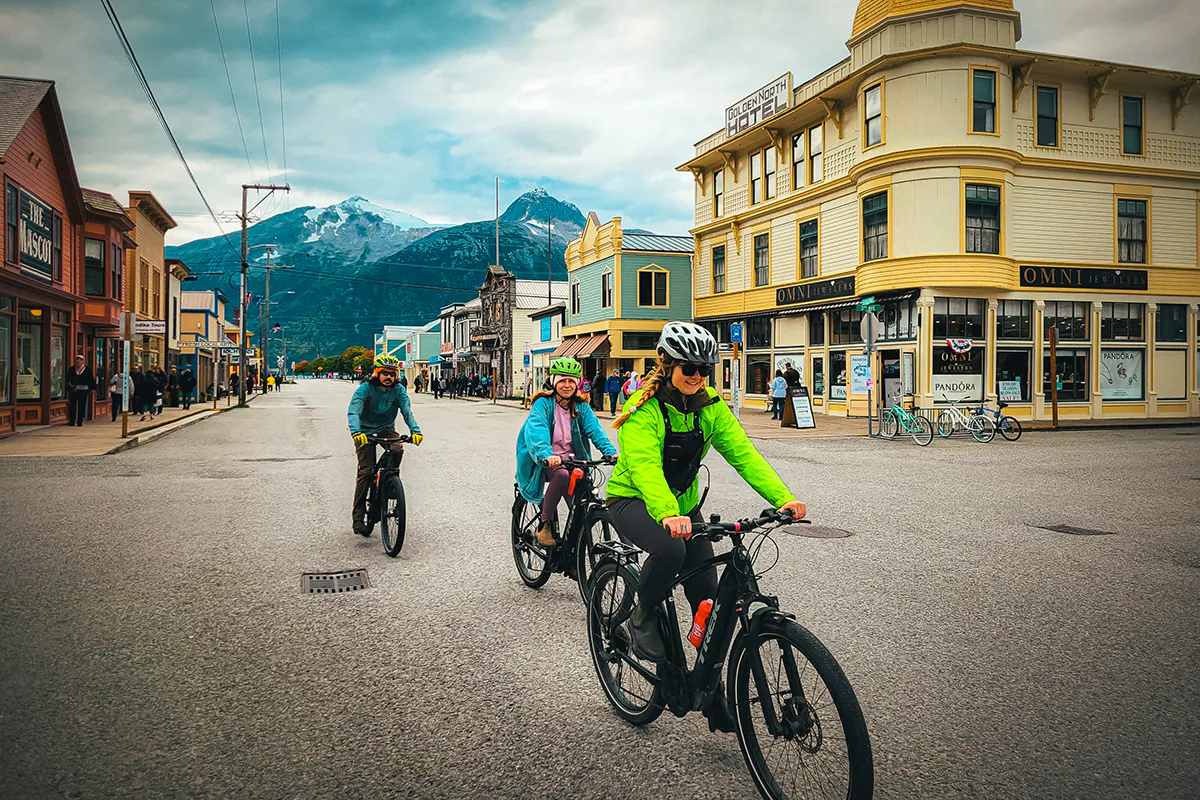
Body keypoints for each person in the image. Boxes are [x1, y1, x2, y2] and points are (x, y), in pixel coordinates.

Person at [606, 321, 806, 732]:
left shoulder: (710, 407)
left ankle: (710, 692)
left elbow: (744, 455)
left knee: (710, 601)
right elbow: (643, 466)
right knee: (670, 550)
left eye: (703, 368)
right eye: (687, 367)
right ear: (667, 364)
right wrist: (665, 513)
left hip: (682, 507)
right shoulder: (645, 410)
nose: (695, 374)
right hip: (633, 501)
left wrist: (782, 498)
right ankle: (641, 615)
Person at [515, 357, 618, 546]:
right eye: (562, 380)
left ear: (577, 383)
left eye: (571, 381)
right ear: (554, 382)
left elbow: (595, 431)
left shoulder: (581, 407)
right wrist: (546, 454)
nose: (567, 385)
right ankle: (544, 525)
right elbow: (536, 431)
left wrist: (610, 452)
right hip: (548, 461)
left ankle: (574, 551)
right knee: (561, 476)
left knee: (581, 504)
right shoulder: (543, 404)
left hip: (574, 461)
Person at [347, 353, 423, 537]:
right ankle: (358, 518)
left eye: (392, 374)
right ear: (377, 373)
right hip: (364, 431)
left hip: (386, 429)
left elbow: (406, 412)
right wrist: (356, 432)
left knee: (397, 448)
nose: (389, 377)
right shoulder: (364, 389)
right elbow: (354, 412)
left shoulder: (399, 390)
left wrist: (416, 431)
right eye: (385, 373)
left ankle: (388, 480)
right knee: (365, 472)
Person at [66, 355, 96, 426]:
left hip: (83, 390)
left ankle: (80, 420)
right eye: (76, 360)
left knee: (81, 405)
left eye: (80, 360)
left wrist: (91, 388)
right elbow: (68, 378)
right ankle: (72, 420)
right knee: (72, 405)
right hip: (73, 390)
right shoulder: (72, 369)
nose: (78, 362)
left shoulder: (87, 370)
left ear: (83, 361)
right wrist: (69, 387)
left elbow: (91, 379)